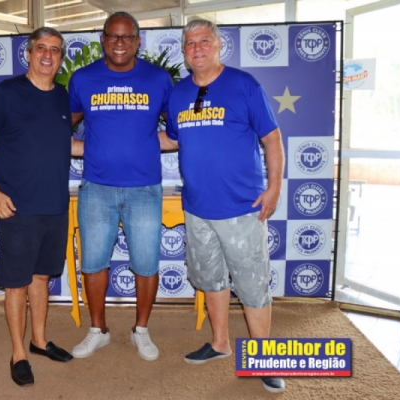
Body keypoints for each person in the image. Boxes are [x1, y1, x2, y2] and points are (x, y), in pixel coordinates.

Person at [160, 19, 286, 393]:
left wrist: (275, 187)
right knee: (211, 280)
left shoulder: (244, 85)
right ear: (184, 52)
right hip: (197, 209)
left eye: (203, 40)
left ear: (217, 45)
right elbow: (172, 140)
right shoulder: (178, 94)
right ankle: (219, 344)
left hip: (242, 208)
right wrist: (124, 141)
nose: (196, 47)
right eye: (189, 43)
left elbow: (272, 137)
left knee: (252, 285)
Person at [0, 27, 82, 387]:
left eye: (55, 50)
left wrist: (113, 149)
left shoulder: (62, 97)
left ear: (60, 57)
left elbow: (64, 144)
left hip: (55, 206)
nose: (48, 55)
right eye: (41, 48)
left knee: (41, 277)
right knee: (17, 284)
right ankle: (18, 353)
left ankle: (39, 341)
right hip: (18, 208)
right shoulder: (8, 93)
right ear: (29, 54)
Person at [68, 11, 173, 361]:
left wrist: (145, 145)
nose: (119, 42)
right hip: (96, 187)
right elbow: (62, 125)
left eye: (127, 36)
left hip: (144, 188)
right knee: (93, 263)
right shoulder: (83, 79)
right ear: (102, 40)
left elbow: (177, 129)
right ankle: (98, 330)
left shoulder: (158, 79)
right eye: (113, 35)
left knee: (146, 263)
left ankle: (140, 330)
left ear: (138, 42)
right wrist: (83, 148)